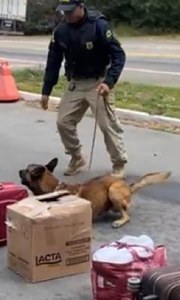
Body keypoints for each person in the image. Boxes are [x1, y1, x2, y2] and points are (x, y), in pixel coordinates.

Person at [41, 0, 127, 177]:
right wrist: (46, 90)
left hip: (99, 81)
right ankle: (77, 156)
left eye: (70, 11)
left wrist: (109, 82)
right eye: (64, 12)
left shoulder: (98, 25)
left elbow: (118, 55)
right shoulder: (61, 31)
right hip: (77, 82)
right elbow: (53, 61)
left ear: (81, 7)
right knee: (63, 122)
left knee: (106, 125)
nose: (67, 16)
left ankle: (118, 163)